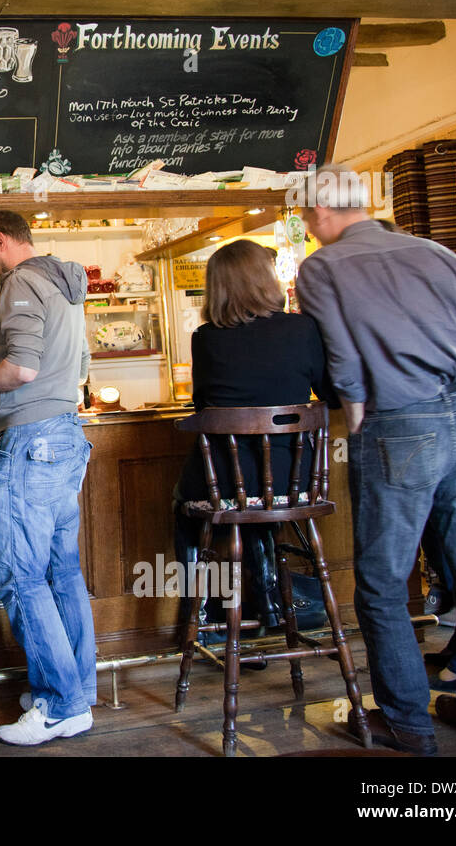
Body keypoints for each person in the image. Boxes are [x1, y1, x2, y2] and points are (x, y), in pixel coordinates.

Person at [295, 164, 456, 754]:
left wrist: (360, 411)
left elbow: (339, 353)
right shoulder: (433, 251)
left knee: (383, 585)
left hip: (399, 423)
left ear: (319, 210)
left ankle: (408, 723)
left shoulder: (321, 267)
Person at [0, 209, 96, 746]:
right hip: (66, 435)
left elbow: (20, 367)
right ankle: (76, 689)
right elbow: (82, 363)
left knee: (21, 577)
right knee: (62, 573)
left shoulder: (20, 281)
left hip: (33, 443)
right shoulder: (64, 282)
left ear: (0, 241)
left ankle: (60, 704)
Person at [175, 239, 335, 641]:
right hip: (296, 484)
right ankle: (270, 602)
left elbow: (202, 406)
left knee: (184, 507)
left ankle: (210, 618)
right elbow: (329, 393)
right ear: (266, 280)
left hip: (226, 484)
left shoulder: (205, 338)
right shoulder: (302, 328)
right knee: (260, 514)